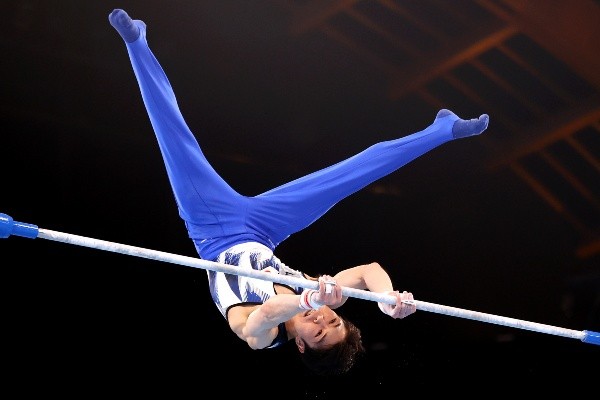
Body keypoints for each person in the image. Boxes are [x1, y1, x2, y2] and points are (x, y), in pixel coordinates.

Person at [108, 8, 489, 376]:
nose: (322, 318)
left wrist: (308, 298)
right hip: (266, 229)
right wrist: (387, 301)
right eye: (334, 320)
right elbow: (369, 271)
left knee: (175, 138)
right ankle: (442, 130)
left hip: (214, 228)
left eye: (319, 331)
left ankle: (137, 43)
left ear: (303, 345)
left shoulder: (263, 337)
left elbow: (266, 313)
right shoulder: (316, 297)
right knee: (353, 173)